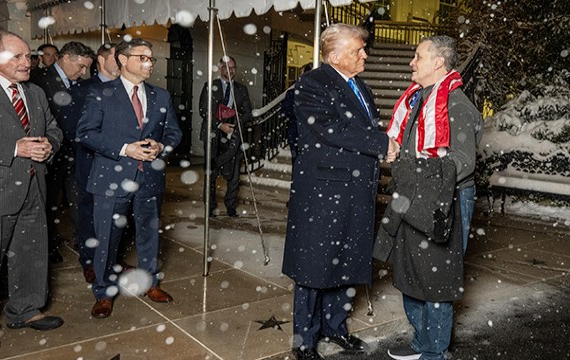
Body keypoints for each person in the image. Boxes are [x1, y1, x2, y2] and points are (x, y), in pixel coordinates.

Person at [281, 23, 399, 360]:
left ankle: (336, 327)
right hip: (324, 191)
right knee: (314, 266)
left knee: (348, 260)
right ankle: (304, 339)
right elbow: (333, 129)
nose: (365, 54)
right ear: (334, 55)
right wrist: (381, 143)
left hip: (355, 190)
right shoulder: (312, 83)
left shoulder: (359, 85)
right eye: (358, 50)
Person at [374, 35, 483, 360]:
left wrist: (416, 174)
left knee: (436, 278)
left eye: (418, 56)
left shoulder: (456, 104)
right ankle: (422, 342)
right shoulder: (417, 100)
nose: (412, 62)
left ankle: (435, 351)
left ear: (438, 62)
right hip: (413, 197)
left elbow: (463, 161)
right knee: (408, 271)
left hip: (443, 202)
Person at [0, 30, 64, 354]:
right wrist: (14, 149)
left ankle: (25, 309)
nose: (28, 63)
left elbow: (52, 128)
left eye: (28, 56)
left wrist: (50, 145)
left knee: (31, 252)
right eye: (18, 57)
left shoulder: (34, 92)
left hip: (34, 186)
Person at [77, 38, 182, 319]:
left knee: (149, 235)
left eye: (151, 59)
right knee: (108, 239)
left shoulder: (162, 96)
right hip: (111, 178)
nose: (149, 63)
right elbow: (86, 133)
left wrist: (162, 147)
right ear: (123, 59)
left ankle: (150, 283)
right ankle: (103, 291)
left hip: (149, 179)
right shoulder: (101, 93)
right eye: (142, 58)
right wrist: (126, 149)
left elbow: (174, 133)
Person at [31, 41, 95, 263]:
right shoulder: (38, 80)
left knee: (79, 200)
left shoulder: (79, 83)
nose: (83, 72)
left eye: (87, 68)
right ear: (66, 58)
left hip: (76, 153)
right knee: (48, 202)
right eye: (81, 66)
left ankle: (85, 242)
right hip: (51, 154)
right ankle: (48, 246)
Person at [72, 43, 120, 283]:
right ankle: (90, 260)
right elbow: (77, 130)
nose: (121, 60)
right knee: (90, 213)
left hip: (120, 164)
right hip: (91, 164)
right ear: (101, 60)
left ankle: (111, 259)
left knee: (116, 215)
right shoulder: (82, 89)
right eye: (115, 56)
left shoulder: (126, 88)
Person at [198, 56, 252, 217]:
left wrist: (235, 121)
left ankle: (230, 207)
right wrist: (220, 125)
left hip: (233, 136)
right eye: (227, 67)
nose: (231, 71)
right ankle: (211, 207)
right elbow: (203, 110)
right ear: (220, 69)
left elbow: (248, 112)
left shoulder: (242, 89)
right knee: (211, 172)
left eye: (233, 67)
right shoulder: (210, 85)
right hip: (213, 134)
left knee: (234, 175)